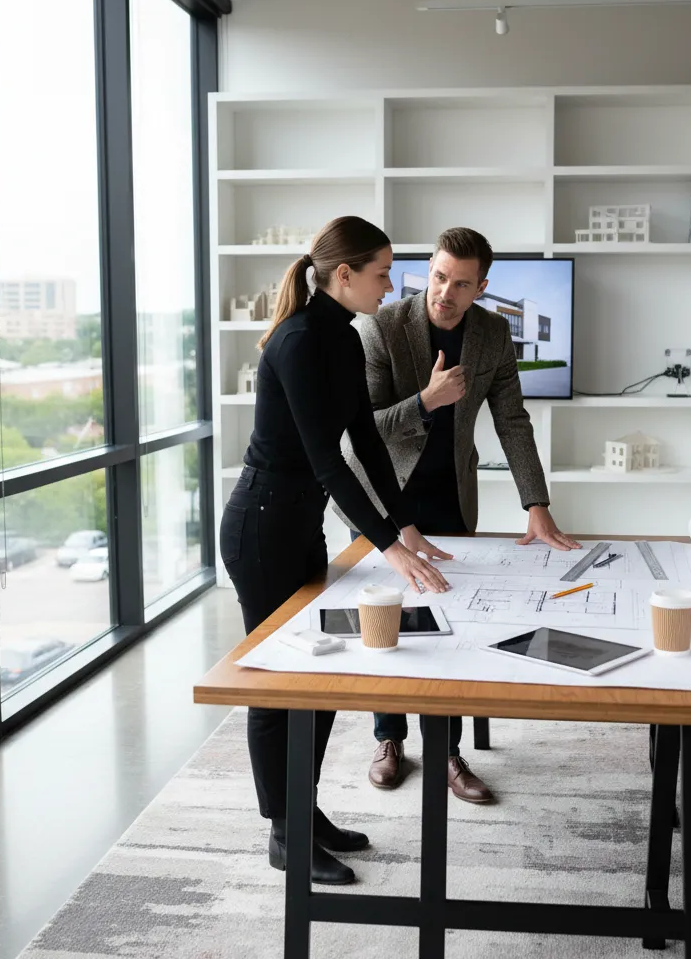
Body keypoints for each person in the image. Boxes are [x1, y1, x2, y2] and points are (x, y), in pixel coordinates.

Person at [219, 215, 451, 887]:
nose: (389, 285)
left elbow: (368, 443)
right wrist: (386, 546)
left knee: (316, 682)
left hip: (296, 526)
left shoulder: (348, 337)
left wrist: (404, 527)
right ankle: (284, 834)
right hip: (260, 528)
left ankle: (304, 814)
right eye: (380, 273)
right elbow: (327, 461)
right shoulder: (295, 341)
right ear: (343, 274)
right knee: (277, 687)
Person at [335, 226, 581, 802]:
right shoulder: (380, 326)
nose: (445, 292)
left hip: (450, 492)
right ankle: (388, 737)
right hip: (382, 494)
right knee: (388, 620)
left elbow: (512, 419)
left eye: (461, 283)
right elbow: (357, 432)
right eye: (439, 277)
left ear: (482, 287)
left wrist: (536, 505)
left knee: (454, 620)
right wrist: (426, 400)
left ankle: (446, 750)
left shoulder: (494, 334)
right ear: (430, 271)